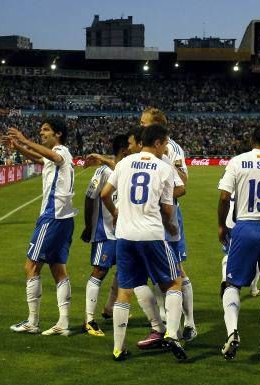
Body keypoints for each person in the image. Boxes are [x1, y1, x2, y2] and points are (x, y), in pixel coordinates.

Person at [101, 124, 187, 362]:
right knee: (174, 283)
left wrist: (116, 213)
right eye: (165, 143)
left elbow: (104, 194)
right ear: (157, 143)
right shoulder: (163, 167)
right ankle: (171, 333)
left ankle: (118, 348)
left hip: (125, 236)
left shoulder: (124, 163)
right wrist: (169, 224)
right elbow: (168, 207)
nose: (166, 148)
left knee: (125, 291)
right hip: (151, 235)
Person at [217, 125, 260, 362]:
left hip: (244, 227)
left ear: (251, 139)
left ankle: (232, 332)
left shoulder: (238, 161)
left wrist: (221, 225)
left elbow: (225, 196)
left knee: (232, 284)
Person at [7, 117, 76, 336]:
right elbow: (40, 158)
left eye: (46, 130)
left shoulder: (61, 151)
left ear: (59, 134)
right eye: (41, 130)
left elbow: (52, 156)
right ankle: (63, 323)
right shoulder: (57, 156)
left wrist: (24, 139)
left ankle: (32, 321)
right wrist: (19, 147)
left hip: (52, 217)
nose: (42, 133)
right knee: (58, 269)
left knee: (31, 267)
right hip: (64, 218)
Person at [140, 107, 197, 341]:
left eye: (144, 123)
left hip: (168, 216)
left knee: (177, 270)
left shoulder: (169, 148)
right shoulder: (147, 147)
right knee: (156, 271)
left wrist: (159, 195)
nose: (140, 125)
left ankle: (190, 323)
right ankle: (164, 320)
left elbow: (182, 182)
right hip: (151, 217)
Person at [80, 134, 129, 337]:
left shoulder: (127, 169)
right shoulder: (102, 171)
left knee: (123, 269)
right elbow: (89, 198)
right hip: (105, 231)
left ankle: (109, 308)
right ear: (125, 151)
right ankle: (89, 320)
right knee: (100, 270)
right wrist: (88, 227)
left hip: (124, 231)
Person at [220, 195, 260, 298]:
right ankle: (254, 289)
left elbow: (224, 197)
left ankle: (226, 279)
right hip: (251, 221)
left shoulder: (233, 178)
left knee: (229, 253)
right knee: (257, 256)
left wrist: (221, 225)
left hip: (231, 222)